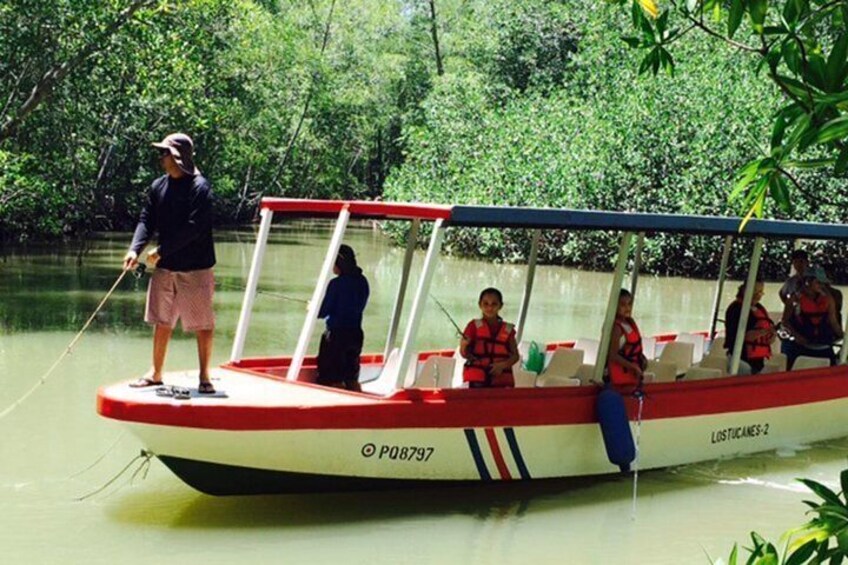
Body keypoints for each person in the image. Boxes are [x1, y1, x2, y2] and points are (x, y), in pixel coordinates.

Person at [123, 132, 217, 393]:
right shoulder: (158, 187)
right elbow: (146, 220)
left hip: (195, 268)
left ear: (177, 157)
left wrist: (162, 250)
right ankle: (155, 373)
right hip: (165, 267)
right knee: (162, 320)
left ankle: (205, 376)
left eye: (164, 153)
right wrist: (135, 250)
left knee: (203, 323)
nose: (161, 158)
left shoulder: (200, 188)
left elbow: (195, 228)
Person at [316, 244, 370, 391]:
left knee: (332, 378)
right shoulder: (363, 281)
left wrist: (313, 307)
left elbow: (322, 311)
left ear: (339, 263)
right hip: (356, 334)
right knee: (351, 377)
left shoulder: (336, 284)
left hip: (337, 336)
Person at [781, 267, 843, 369]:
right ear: (807, 282)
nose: (821, 286)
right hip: (801, 348)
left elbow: (833, 322)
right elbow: (785, 322)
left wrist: (843, 336)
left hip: (824, 346)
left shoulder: (828, 299)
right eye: (818, 282)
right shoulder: (794, 299)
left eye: (822, 283)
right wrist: (797, 336)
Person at [460, 288, 520, 388]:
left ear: (500, 306)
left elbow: (515, 356)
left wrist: (502, 365)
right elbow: (464, 354)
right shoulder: (472, 326)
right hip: (478, 380)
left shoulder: (508, 330)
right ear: (480, 305)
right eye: (486, 304)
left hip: (500, 379)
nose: (490, 307)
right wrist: (464, 344)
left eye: (494, 304)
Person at [723, 281, 775, 375]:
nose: (758, 295)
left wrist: (772, 334)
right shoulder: (736, 309)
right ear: (745, 290)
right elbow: (742, 336)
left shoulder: (759, 308)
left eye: (760, 292)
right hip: (740, 359)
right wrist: (764, 332)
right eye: (755, 291)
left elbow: (769, 339)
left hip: (758, 361)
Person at [606, 289, 647, 387]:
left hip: (633, 374)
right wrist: (632, 367)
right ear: (615, 306)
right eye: (623, 305)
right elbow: (613, 355)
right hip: (622, 375)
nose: (627, 308)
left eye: (629, 304)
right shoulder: (617, 328)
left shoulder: (629, 323)